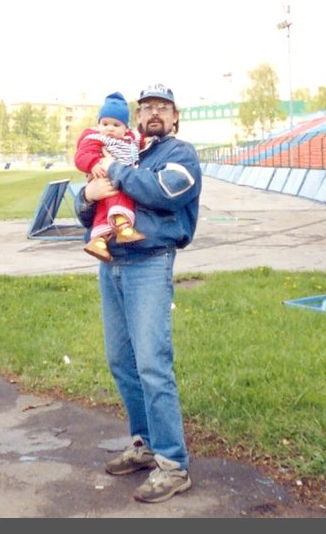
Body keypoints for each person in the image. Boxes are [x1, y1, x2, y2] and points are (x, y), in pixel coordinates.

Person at [73, 82, 202, 504]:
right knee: (121, 361)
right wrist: (86, 194)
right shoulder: (128, 149)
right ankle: (144, 444)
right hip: (110, 262)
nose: (153, 114)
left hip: (149, 261)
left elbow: (161, 194)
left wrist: (113, 170)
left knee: (152, 364)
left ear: (175, 117)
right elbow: (89, 205)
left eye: (163, 108)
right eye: (146, 107)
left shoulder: (179, 155)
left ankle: (173, 463)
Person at [74, 92, 146, 262]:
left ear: (125, 128)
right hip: (107, 177)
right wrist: (93, 164)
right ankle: (123, 226)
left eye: (116, 125)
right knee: (118, 196)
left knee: (103, 210)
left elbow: (144, 139)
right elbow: (81, 156)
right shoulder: (96, 138)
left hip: (119, 176)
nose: (110, 128)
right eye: (105, 123)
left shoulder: (131, 139)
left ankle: (98, 241)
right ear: (98, 124)